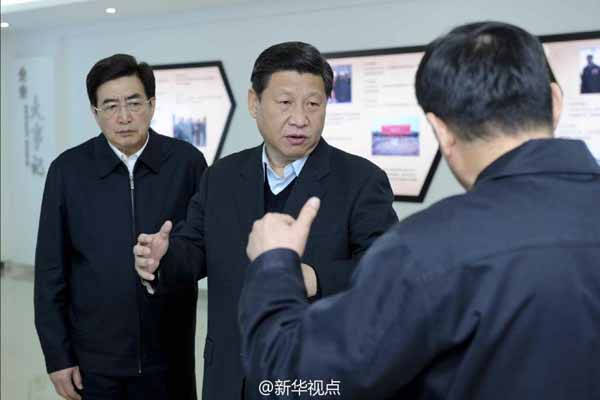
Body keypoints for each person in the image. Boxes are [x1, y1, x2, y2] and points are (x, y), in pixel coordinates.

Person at [239, 22, 600, 400]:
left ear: (440, 129)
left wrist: (274, 265)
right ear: (556, 102)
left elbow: (292, 378)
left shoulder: (425, 250)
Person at [133, 41, 398, 400]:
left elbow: (385, 271)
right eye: (285, 102)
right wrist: (162, 259)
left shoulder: (360, 180)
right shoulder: (222, 176)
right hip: (230, 377)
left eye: (313, 104)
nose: (300, 118)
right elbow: (194, 249)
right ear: (254, 103)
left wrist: (314, 278)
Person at [34, 54, 207, 400]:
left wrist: (169, 259)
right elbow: (51, 270)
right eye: (110, 106)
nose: (124, 117)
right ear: (95, 112)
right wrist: (58, 356)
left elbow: (204, 250)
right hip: (95, 361)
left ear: (152, 104)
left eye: (134, 103)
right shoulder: (68, 171)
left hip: (169, 358)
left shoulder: (186, 163)